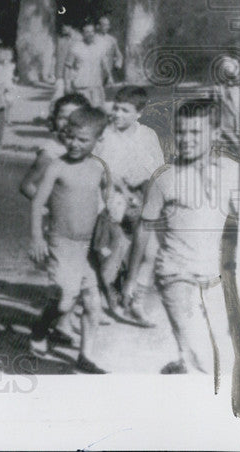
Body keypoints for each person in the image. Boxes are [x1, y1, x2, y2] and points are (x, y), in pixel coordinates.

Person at [122, 99, 240, 376]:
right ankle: (188, 370)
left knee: (216, 346)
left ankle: (182, 369)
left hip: (215, 274)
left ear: (214, 133)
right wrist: (131, 278)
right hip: (176, 272)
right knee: (199, 350)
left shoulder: (230, 171)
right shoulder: (165, 177)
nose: (186, 139)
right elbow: (144, 227)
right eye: (182, 132)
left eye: (195, 133)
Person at [28, 106, 110, 374]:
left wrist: (117, 207)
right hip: (61, 242)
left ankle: (85, 356)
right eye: (71, 137)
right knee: (64, 301)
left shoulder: (99, 167)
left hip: (87, 246)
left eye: (82, 140)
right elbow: (37, 202)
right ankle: (40, 329)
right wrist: (37, 237)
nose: (74, 144)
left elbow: (110, 195)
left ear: (99, 139)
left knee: (93, 303)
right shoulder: (57, 166)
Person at [92, 86, 165, 322]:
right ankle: (103, 300)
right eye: (115, 108)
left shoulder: (147, 135)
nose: (117, 114)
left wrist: (143, 185)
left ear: (139, 113)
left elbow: (157, 171)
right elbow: (95, 168)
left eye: (125, 110)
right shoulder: (103, 135)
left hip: (138, 199)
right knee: (111, 255)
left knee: (151, 252)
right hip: (109, 200)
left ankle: (136, 299)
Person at [20, 92, 91, 201]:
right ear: (54, 119)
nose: (68, 123)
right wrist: (52, 207)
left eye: (75, 118)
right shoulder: (50, 152)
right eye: (62, 118)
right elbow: (27, 185)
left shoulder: (92, 143)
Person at [62, 21, 111, 108]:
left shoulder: (99, 47)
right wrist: (67, 84)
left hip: (96, 87)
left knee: (98, 111)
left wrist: (109, 77)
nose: (90, 34)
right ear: (82, 34)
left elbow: (104, 64)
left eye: (92, 31)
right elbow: (67, 67)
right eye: (87, 32)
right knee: (83, 112)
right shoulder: (75, 48)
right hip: (81, 87)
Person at [96, 16, 124, 85]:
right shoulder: (94, 39)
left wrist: (117, 64)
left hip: (108, 72)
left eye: (108, 25)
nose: (107, 27)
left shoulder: (112, 40)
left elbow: (119, 55)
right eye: (104, 25)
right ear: (98, 26)